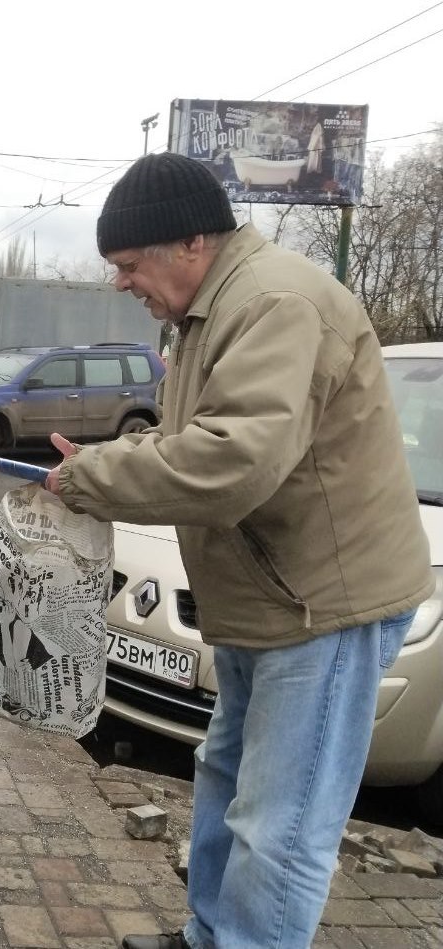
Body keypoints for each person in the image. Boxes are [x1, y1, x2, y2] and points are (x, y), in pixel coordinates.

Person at [45, 153, 432, 949]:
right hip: (268, 599)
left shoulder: (274, 304)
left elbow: (232, 461)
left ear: (192, 242)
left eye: (129, 263)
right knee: (224, 779)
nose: (120, 281)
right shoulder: (208, 314)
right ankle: (209, 934)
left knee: (281, 825)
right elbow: (188, 437)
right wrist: (106, 460)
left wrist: (94, 478)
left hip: (322, 608)